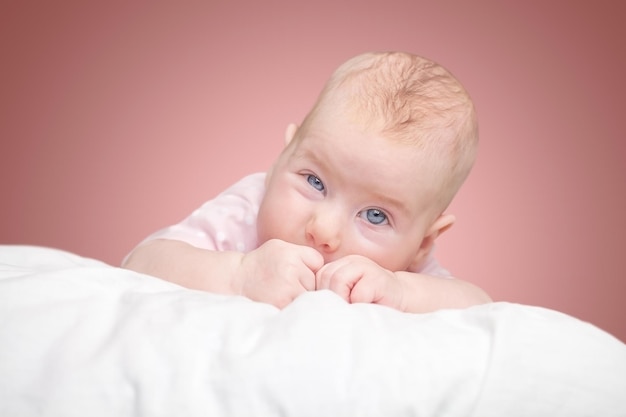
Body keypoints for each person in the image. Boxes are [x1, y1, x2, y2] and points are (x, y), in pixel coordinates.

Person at [123, 51, 492, 312]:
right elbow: (142, 262)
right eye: (314, 181)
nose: (324, 230)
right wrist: (238, 276)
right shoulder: (249, 209)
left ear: (423, 243)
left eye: (376, 216)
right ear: (278, 163)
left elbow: (481, 309)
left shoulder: (403, 270)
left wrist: (403, 293)